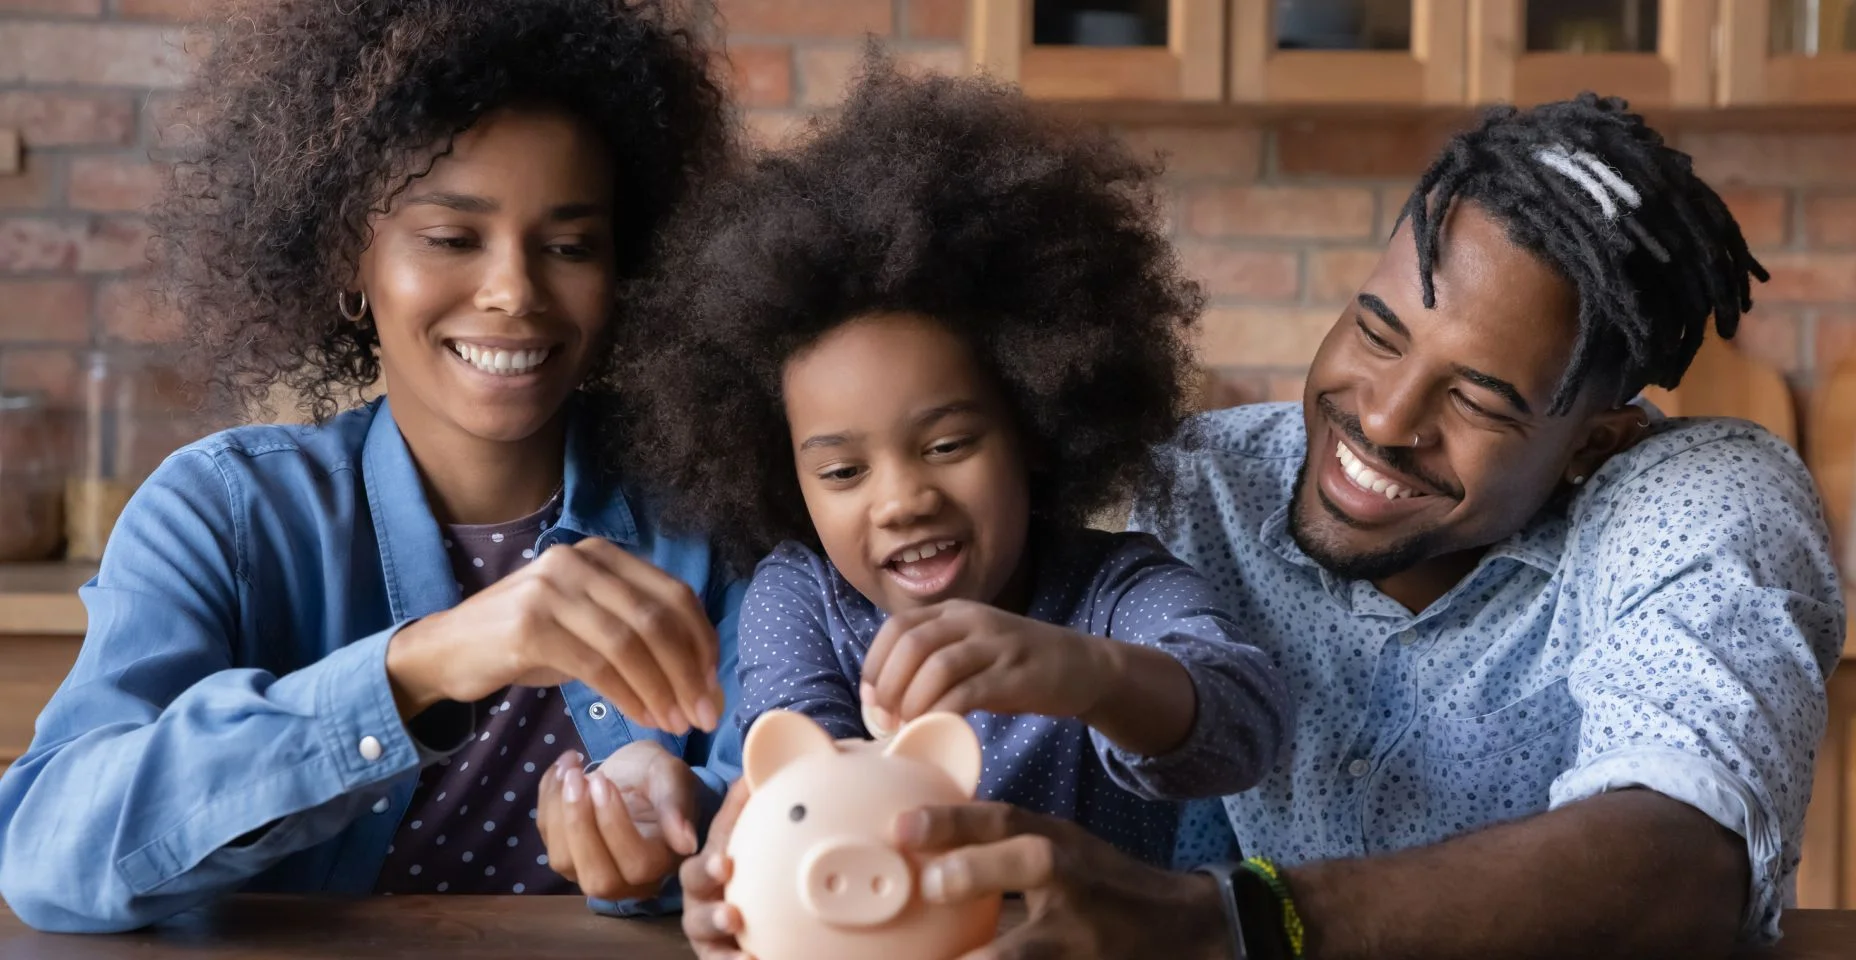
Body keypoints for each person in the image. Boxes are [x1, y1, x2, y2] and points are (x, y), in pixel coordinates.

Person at [684, 94, 1847, 960]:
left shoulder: (1695, 494)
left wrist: (1222, 923)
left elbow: (1678, 867)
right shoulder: (1203, 483)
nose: (1380, 421)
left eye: (1479, 399)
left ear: (1595, 434)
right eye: (1378, 331)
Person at [0, 0, 742, 932]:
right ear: (349, 259)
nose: (514, 289)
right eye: (450, 238)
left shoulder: (714, 513)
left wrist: (688, 830)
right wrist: (423, 664)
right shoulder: (223, 515)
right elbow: (49, 850)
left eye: (569, 246)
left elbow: (803, 798)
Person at [601, 56, 1291, 881]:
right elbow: (800, 761)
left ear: (1035, 426)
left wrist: (1086, 674)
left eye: (946, 446)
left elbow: (1245, 725)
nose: (901, 500)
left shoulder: (1117, 592)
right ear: (784, 477)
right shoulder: (801, 596)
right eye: (843, 472)